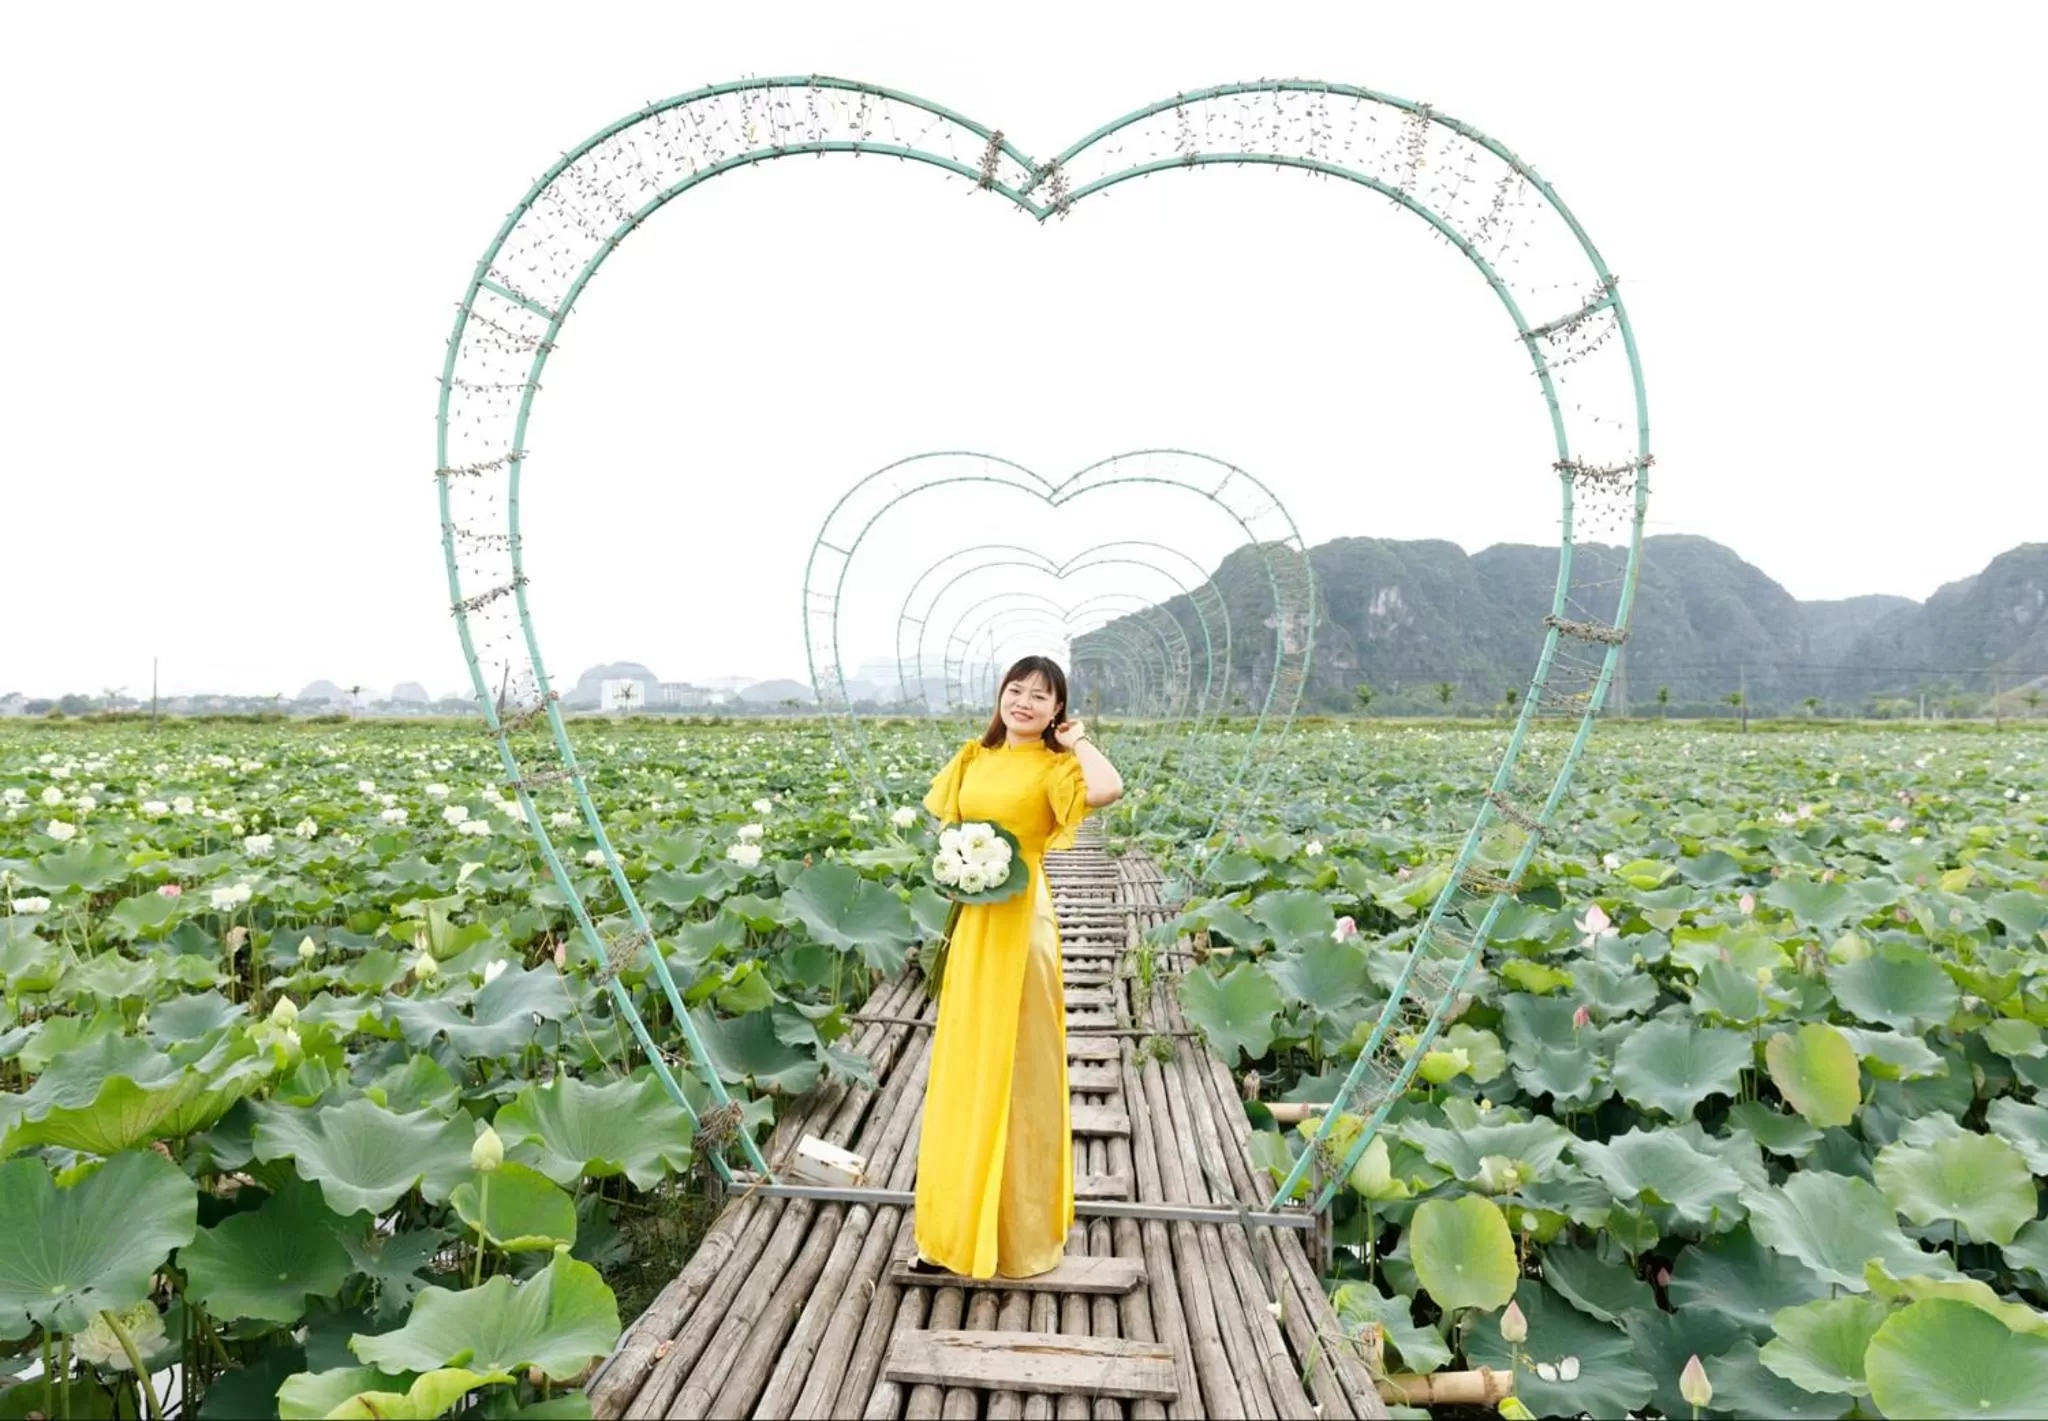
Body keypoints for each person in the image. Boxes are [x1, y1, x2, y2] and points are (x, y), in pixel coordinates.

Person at [910, 655, 1125, 1279]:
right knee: (966, 1069)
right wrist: (957, 868)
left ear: (1057, 709)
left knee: (1020, 1069)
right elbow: (948, 828)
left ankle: (1017, 1238)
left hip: (1024, 926)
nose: (1024, 701)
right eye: (1016, 689)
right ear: (1000, 696)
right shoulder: (972, 757)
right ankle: (951, 1236)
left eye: (1041, 695)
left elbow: (1107, 789)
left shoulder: (1057, 768)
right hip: (974, 923)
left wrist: (1078, 741)